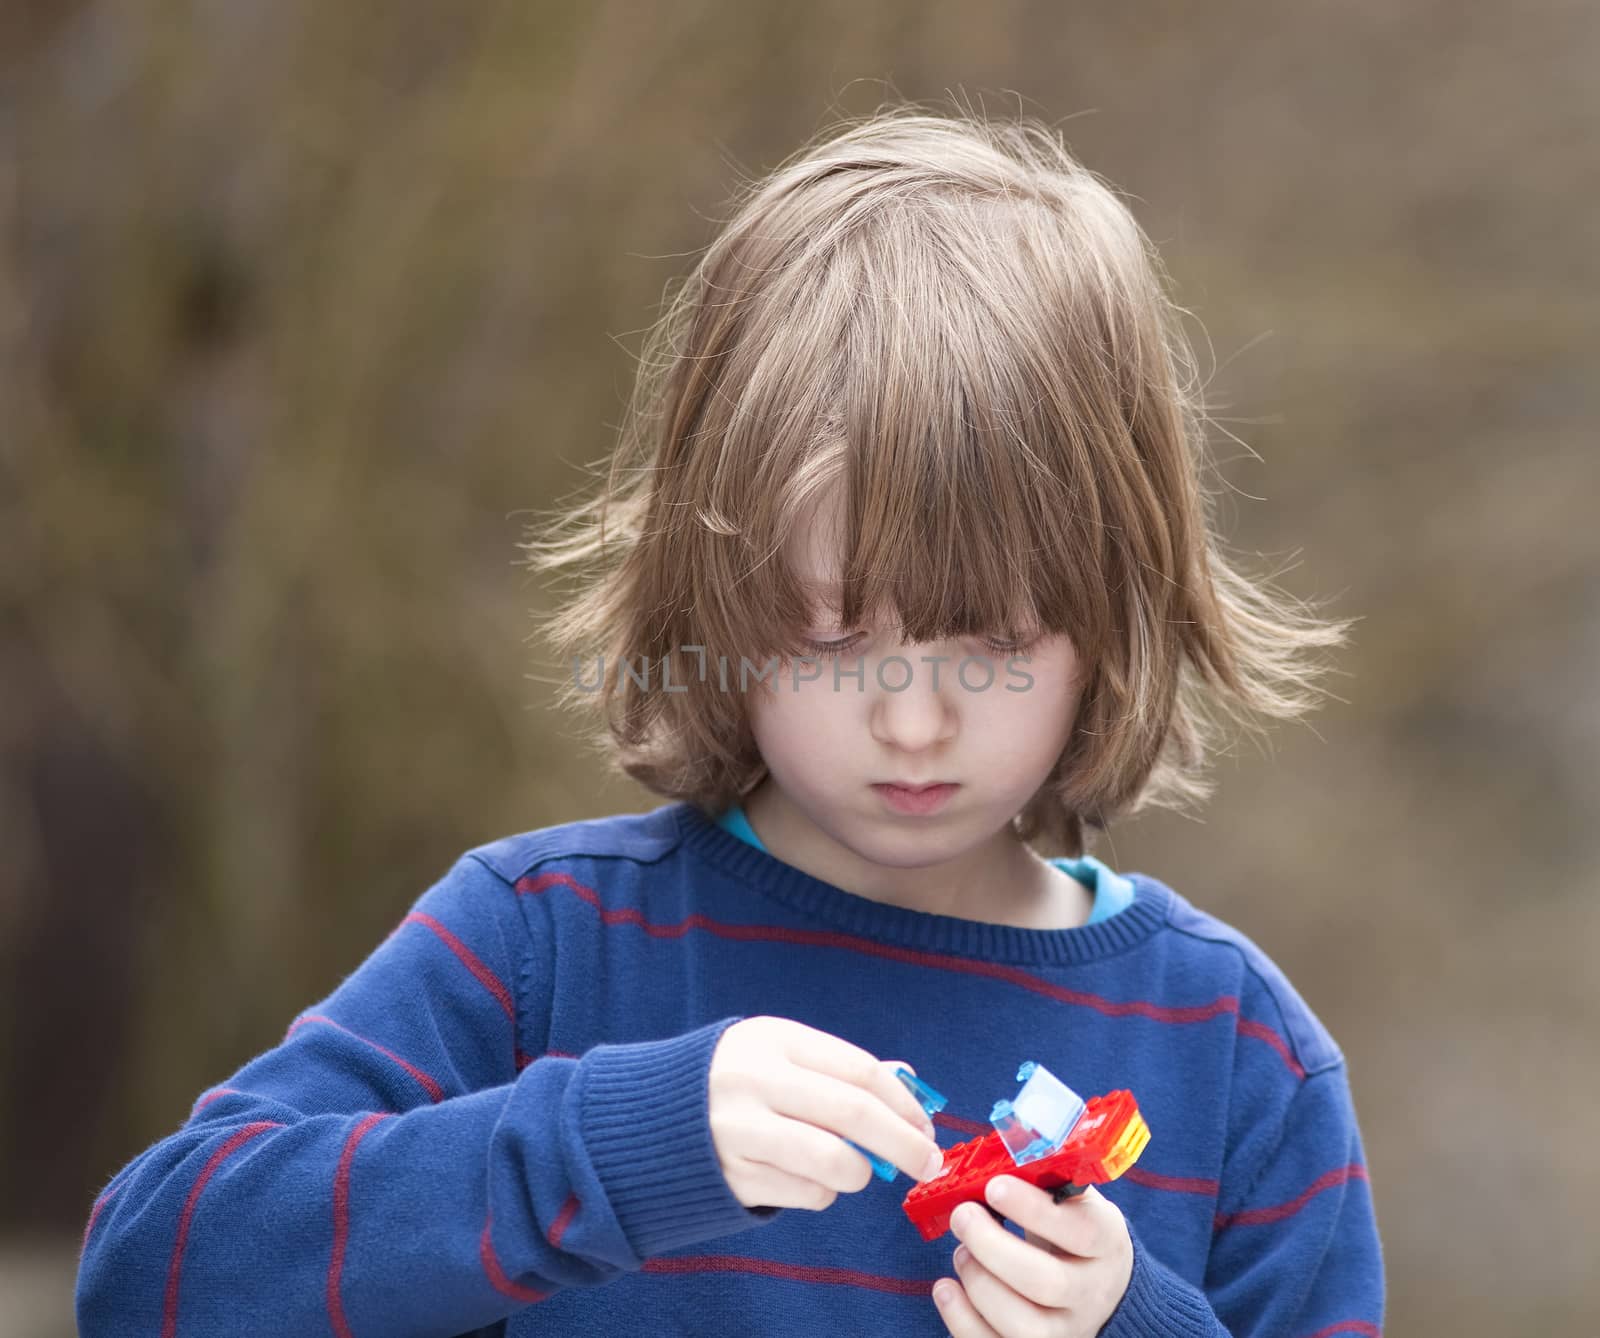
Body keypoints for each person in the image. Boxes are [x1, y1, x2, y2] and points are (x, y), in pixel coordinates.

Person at [75, 103, 1385, 1337]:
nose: (914, 720)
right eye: (829, 637)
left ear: (1115, 612)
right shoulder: (548, 947)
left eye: (992, 639)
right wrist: (605, 1149)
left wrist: (1127, 1319)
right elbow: (150, 1272)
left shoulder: (1240, 1055)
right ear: (714, 593)